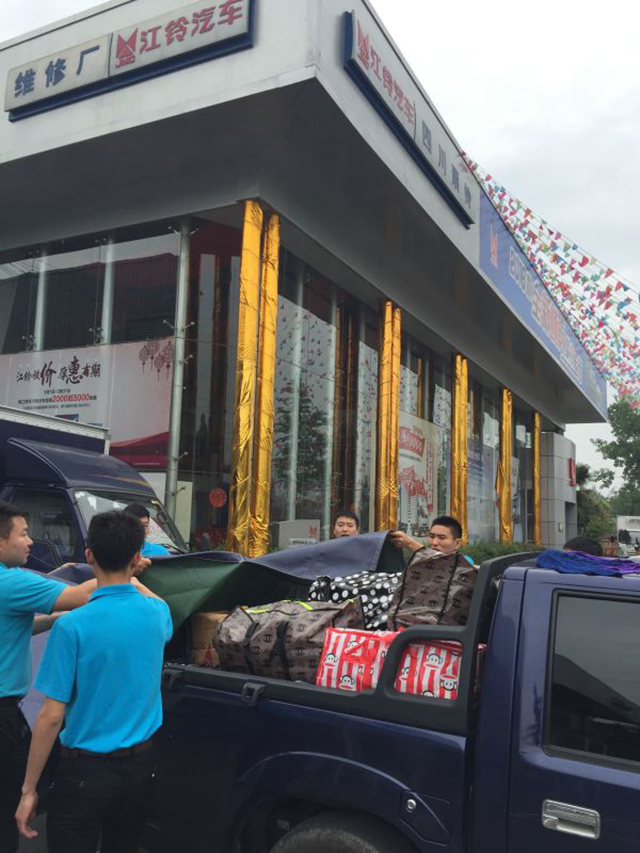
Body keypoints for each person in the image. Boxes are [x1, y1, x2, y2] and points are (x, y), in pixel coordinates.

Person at [15, 510, 173, 853]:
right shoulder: (157, 615)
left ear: (88, 556)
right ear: (137, 557)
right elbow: (159, 603)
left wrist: (29, 790)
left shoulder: (72, 626)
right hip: (140, 768)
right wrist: (134, 579)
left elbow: (51, 715)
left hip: (84, 773)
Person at [0, 500, 97, 853]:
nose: (31, 541)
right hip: (2, 716)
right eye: (24, 533)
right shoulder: (12, 582)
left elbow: (14, 626)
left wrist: (54, 619)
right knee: (5, 810)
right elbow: (78, 596)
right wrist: (122, 572)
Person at [389, 515, 473, 564]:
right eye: (432, 536)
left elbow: (444, 564)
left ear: (457, 543)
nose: (434, 542)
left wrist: (410, 544)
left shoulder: (465, 563)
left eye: (442, 538)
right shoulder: (421, 560)